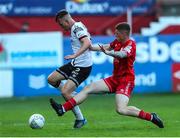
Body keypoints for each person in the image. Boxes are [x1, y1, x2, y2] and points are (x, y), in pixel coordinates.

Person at [49, 22, 164, 128]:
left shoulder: (131, 44)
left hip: (126, 81)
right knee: (88, 88)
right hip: (115, 79)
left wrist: (110, 53)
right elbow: (105, 46)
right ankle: (63, 108)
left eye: (117, 33)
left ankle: (151, 117)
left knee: (121, 109)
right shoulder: (117, 42)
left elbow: (122, 54)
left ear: (124, 34)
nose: (114, 34)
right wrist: (89, 47)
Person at [47, 9, 93, 128]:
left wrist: (75, 55)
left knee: (64, 92)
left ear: (66, 21)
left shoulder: (77, 28)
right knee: (51, 79)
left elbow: (87, 43)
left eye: (61, 24)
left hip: (83, 67)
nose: (62, 27)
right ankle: (72, 95)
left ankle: (80, 118)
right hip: (75, 63)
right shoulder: (76, 27)